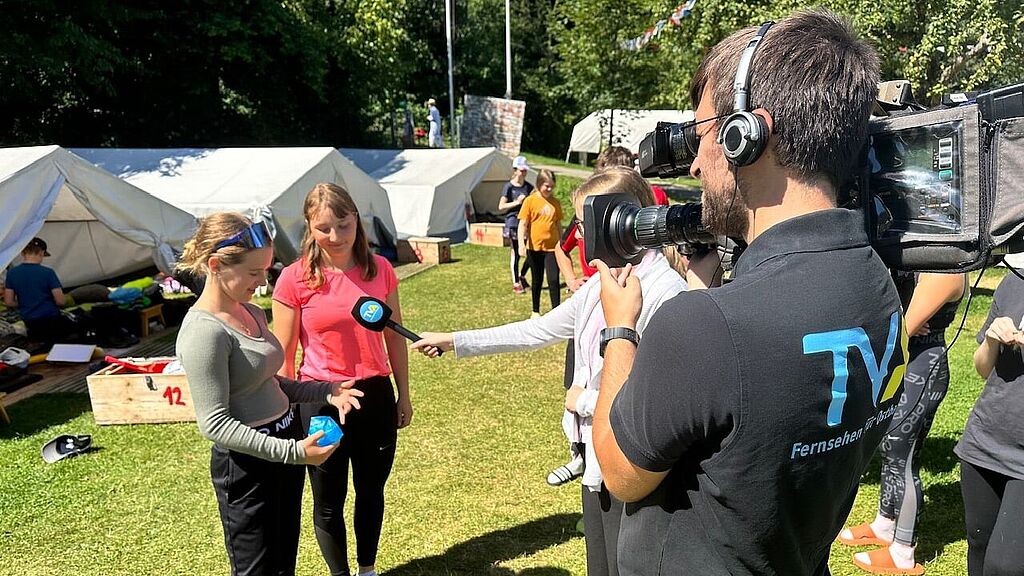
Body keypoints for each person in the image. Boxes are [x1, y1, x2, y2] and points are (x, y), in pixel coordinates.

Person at [591, 10, 906, 576]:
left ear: (747, 135)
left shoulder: (704, 326)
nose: (692, 160)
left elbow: (621, 473)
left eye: (703, 134)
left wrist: (620, 330)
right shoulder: (876, 282)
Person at [411, 167, 687, 576]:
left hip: (636, 472)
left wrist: (585, 400)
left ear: (623, 217)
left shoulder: (666, 293)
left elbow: (659, 400)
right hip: (598, 459)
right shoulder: (601, 285)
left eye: (585, 221)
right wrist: (456, 340)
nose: (580, 233)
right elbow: (536, 329)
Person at [174, 213, 362, 576]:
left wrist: (327, 390)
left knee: (283, 560)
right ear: (215, 265)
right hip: (250, 465)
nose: (263, 282)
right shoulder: (204, 332)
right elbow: (214, 423)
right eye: (253, 273)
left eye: (266, 270)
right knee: (257, 568)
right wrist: (293, 452)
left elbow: (269, 382)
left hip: (286, 446)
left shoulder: (250, 312)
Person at [271, 183, 412, 576]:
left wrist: (404, 395)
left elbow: (394, 338)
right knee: (328, 499)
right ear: (309, 228)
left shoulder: (380, 270)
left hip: (375, 397)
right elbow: (283, 353)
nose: (335, 237)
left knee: (371, 492)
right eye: (323, 228)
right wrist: (286, 409)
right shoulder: (294, 279)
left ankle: (367, 569)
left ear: (357, 221)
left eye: (344, 225)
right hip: (319, 400)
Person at [838, 272, 966, 575]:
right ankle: (885, 524)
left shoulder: (944, 269)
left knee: (903, 457)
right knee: (891, 448)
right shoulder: (925, 264)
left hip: (922, 367)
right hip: (905, 363)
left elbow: (901, 330)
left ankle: (903, 552)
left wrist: (898, 325)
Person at [954, 270, 1024, 576]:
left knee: (1005, 567)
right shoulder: (1014, 282)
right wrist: (992, 341)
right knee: (978, 546)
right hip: (984, 441)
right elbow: (983, 369)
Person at [3, 237, 76, 345]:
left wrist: (25, 304)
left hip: (30, 322)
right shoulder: (48, 273)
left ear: (23, 252)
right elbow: (61, 301)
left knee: (39, 348)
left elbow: (8, 302)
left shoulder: (12, 273)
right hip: (52, 319)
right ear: (41, 253)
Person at [518, 169, 563, 317]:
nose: (549, 189)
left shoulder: (555, 203)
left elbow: (558, 225)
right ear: (539, 184)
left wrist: (562, 245)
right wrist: (521, 244)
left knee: (553, 280)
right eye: (546, 186)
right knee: (537, 280)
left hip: (552, 248)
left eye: (551, 186)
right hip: (534, 248)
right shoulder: (530, 201)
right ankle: (535, 311)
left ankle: (556, 312)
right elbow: (523, 224)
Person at [500, 156, 534, 294]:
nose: (524, 173)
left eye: (525, 171)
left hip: (526, 223)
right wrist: (517, 202)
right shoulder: (508, 187)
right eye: (521, 170)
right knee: (516, 254)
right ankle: (516, 283)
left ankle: (522, 275)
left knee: (531, 252)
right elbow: (501, 206)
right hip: (513, 223)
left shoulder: (529, 187)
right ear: (515, 170)